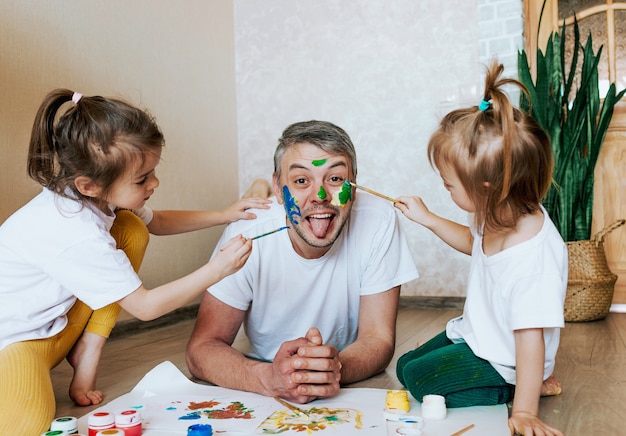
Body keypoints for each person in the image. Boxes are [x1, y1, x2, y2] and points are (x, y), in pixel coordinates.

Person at [0, 89, 270, 435]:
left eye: (153, 171)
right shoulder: (73, 231)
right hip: (14, 343)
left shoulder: (95, 197)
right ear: (89, 184)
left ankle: (88, 351)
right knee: (25, 427)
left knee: (132, 228)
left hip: (55, 326)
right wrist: (216, 269)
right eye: (143, 179)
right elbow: (144, 307)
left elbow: (156, 223)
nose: (155, 182)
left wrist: (224, 214)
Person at [186, 120, 419, 404]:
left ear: (354, 186)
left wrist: (333, 370)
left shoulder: (380, 220)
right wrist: (267, 377)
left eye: (334, 179)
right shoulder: (245, 233)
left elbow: (378, 338)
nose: (319, 197)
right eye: (300, 181)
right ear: (277, 187)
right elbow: (201, 348)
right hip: (265, 361)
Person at [394, 61, 566, 436]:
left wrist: (524, 410)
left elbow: (529, 338)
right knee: (405, 364)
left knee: (420, 381)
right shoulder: (498, 210)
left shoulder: (532, 262)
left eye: (449, 184)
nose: (445, 189)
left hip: (507, 360)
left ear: (486, 188)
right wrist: (429, 219)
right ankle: (526, 377)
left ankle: (526, 384)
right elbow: (477, 246)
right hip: (479, 335)